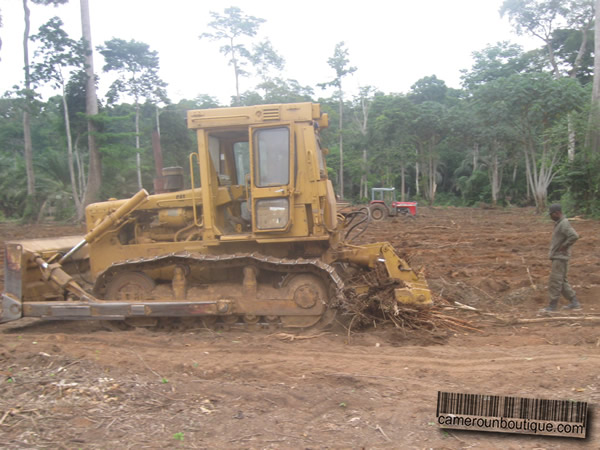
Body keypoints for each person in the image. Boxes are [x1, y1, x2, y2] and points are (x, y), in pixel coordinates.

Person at [541, 204, 581, 313]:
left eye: (551, 214)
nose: (550, 217)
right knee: (562, 281)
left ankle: (552, 306)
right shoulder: (560, 223)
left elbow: (574, 236)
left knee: (555, 281)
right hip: (559, 257)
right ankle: (574, 302)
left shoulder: (563, 223)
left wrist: (564, 246)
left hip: (560, 257)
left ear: (557, 213)